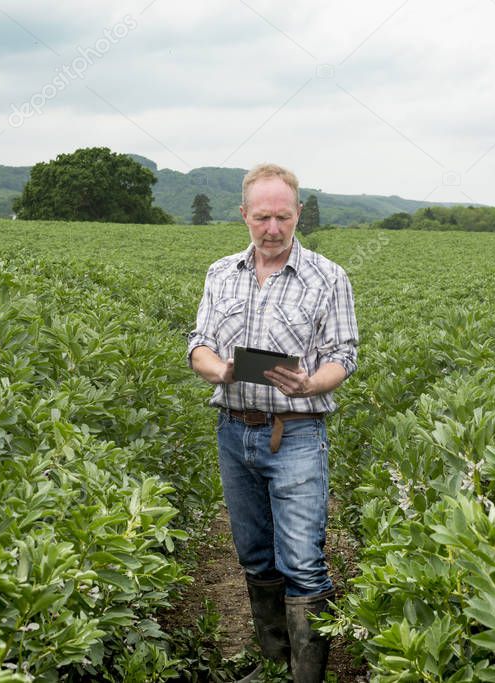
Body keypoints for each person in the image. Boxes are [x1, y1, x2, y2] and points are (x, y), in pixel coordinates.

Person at [187, 163, 358, 682]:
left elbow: (344, 355)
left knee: (302, 561)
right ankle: (274, 664)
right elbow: (199, 346)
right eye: (262, 217)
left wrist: (311, 384)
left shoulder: (328, 277)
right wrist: (221, 370)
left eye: (283, 216)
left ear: (298, 213)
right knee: (256, 555)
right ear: (244, 215)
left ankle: (306, 677)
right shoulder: (221, 273)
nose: (273, 228)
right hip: (234, 429)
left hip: (297, 433)